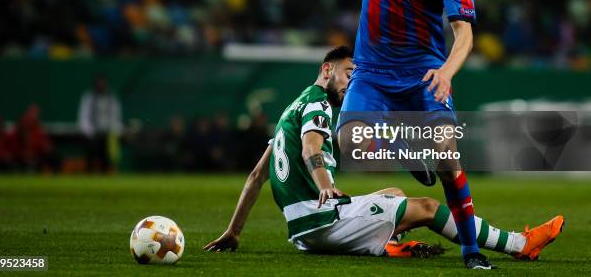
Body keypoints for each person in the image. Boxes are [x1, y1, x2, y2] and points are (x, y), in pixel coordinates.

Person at [204, 46, 564, 263]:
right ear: (326, 70)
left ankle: (389, 243)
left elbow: (255, 177)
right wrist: (325, 184)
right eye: (348, 74)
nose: (351, 82)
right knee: (427, 208)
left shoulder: (291, 110)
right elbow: (312, 149)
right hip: (322, 220)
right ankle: (520, 244)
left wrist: (234, 232)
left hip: (302, 228)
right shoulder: (317, 105)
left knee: (394, 194)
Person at [298, 0, 491, 269]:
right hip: (371, 73)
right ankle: (411, 156)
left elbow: (465, 34)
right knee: (350, 139)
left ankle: (472, 252)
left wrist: (447, 72)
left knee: (447, 157)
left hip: (422, 76)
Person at [78, 75, 123, 172]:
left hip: (107, 134)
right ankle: (89, 176)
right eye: (99, 83)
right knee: (91, 158)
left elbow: (115, 116)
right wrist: (89, 132)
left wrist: (115, 131)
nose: (101, 86)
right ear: (95, 85)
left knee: (106, 159)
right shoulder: (89, 98)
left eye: (103, 84)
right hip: (92, 134)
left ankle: (105, 176)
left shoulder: (112, 98)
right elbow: (84, 116)